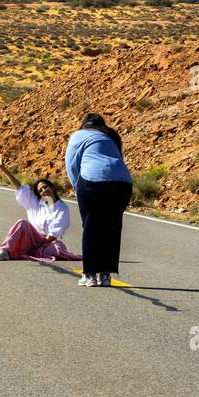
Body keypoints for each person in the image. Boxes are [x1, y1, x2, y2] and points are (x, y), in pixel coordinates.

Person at [65, 112, 133, 288]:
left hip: (93, 182)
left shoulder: (78, 135)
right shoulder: (111, 136)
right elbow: (119, 160)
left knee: (91, 227)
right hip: (122, 184)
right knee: (112, 227)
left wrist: (77, 187)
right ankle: (105, 275)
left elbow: (71, 164)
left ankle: (89, 275)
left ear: (84, 123)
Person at [0, 155, 80, 263]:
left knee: (57, 248)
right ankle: (5, 251)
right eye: (40, 190)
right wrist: (5, 171)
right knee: (22, 223)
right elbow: (20, 188)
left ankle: (33, 251)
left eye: (46, 187)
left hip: (46, 241)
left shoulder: (62, 208)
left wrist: (37, 247)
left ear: (52, 187)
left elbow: (53, 234)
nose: (44, 190)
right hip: (31, 238)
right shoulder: (36, 203)